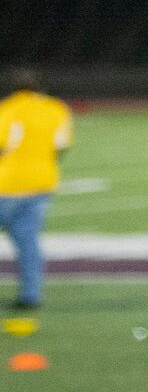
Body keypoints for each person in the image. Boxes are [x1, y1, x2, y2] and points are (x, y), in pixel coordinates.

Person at [0, 70, 74, 310]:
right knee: (28, 243)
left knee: (27, 241)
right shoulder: (55, 108)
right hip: (43, 183)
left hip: (6, 185)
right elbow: (61, 146)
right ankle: (30, 295)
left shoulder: (7, 109)